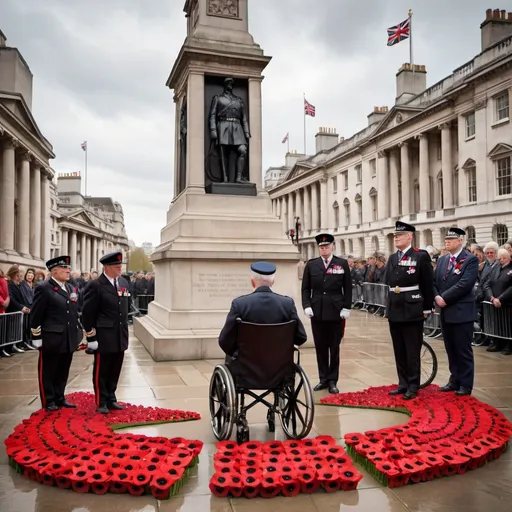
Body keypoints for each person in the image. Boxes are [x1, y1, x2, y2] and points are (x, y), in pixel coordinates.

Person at [218, 262, 307, 375]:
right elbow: (301, 337)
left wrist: (236, 352)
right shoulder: (287, 304)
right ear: (273, 281)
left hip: (245, 370)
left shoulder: (240, 304)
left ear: (252, 281)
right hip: (279, 369)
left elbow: (224, 340)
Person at [386, 221, 434, 400]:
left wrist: (427, 307)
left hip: (413, 308)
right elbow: (389, 283)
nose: (396, 237)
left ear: (410, 237)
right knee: (399, 349)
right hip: (395, 308)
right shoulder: (392, 258)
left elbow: (427, 284)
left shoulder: (420, 256)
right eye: (395, 235)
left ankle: (413, 384)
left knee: (412, 349)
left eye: (399, 235)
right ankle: (403, 383)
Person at [301, 233, 352, 394]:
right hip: (317, 311)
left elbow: (348, 288)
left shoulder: (341, 264)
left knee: (334, 348)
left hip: (336, 311)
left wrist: (346, 307)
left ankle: (333, 380)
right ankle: (323, 378)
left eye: (327, 246)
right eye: (322, 247)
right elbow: (305, 288)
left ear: (332, 247)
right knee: (321, 347)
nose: (324, 249)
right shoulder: (312, 265)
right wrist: (307, 305)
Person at [82, 251, 130, 414]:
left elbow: (125, 307)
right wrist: (91, 336)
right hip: (104, 335)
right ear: (107, 267)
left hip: (119, 334)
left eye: (120, 266)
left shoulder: (123, 282)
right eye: (117, 266)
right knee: (102, 369)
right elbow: (87, 314)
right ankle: (101, 400)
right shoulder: (95, 285)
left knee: (116, 368)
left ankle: (111, 397)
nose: (120, 268)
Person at [30, 256, 80, 411]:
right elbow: (36, 314)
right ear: (54, 271)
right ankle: (49, 400)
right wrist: (36, 336)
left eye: (68, 268)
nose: (68, 270)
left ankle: (60, 396)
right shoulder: (44, 288)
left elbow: (72, 312)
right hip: (51, 337)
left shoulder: (71, 288)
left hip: (67, 337)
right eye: (64, 268)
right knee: (48, 370)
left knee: (63, 370)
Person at [434, 228, 479, 396]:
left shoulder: (470, 260)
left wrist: (443, 297)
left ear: (460, 241)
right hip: (446, 312)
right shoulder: (443, 259)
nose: (447, 241)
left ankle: (466, 384)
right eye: (446, 239)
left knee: (463, 349)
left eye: (451, 239)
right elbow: (434, 280)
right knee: (450, 348)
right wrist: (436, 296)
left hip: (461, 312)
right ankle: (454, 379)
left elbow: (465, 284)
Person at [488, 248, 512, 355]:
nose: (501, 260)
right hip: (496, 302)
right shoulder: (496, 269)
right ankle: (499, 343)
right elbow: (488, 283)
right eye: (500, 258)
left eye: (504, 258)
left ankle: (509, 345)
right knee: (499, 325)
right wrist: (491, 297)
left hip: (508, 303)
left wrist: (501, 298)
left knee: (509, 325)